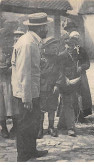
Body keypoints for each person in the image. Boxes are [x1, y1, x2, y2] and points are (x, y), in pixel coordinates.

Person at [11, 12, 52, 162]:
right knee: (24, 125)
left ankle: (31, 150)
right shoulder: (27, 43)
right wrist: (26, 98)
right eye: (45, 26)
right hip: (25, 93)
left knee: (32, 122)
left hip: (32, 91)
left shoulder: (33, 40)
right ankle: (23, 156)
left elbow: (31, 67)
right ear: (40, 27)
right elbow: (24, 73)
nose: (47, 28)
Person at [56, 32, 91, 136]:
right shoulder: (61, 56)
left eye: (72, 45)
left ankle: (63, 125)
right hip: (64, 82)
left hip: (74, 81)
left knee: (68, 102)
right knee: (67, 103)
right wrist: (64, 78)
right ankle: (70, 127)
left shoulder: (77, 54)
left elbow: (81, 65)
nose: (70, 47)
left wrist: (78, 73)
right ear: (65, 45)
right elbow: (59, 69)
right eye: (68, 45)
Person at [37, 37, 60, 139]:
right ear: (46, 48)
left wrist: (57, 84)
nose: (55, 49)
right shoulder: (40, 58)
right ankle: (40, 128)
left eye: (56, 47)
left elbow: (60, 73)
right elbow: (36, 72)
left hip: (53, 87)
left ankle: (51, 127)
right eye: (52, 47)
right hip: (41, 87)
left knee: (52, 108)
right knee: (41, 108)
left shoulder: (57, 59)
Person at [0, 28, 19, 139]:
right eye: (4, 37)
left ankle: (15, 127)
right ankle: (4, 128)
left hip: (11, 80)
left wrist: (12, 68)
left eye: (8, 37)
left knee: (13, 104)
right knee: (1, 105)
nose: (6, 40)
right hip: (1, 80)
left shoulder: (15, 49)